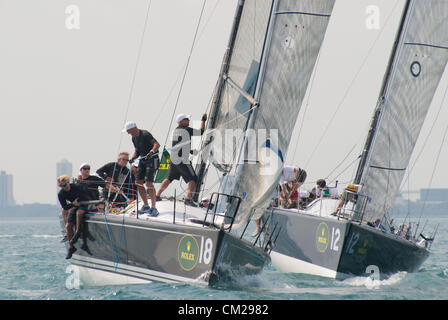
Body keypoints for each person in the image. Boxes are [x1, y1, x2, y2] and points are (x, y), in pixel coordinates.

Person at [156, 113, 207, 206]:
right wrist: (203, 120)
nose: (189, 121)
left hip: (173, 159)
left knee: (169, 178)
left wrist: (190, 151)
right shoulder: (186, 129)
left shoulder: (176, 130)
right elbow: (201, 132)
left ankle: (157, 195)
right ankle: (188, 199)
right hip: (182, 159)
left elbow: (180, 144)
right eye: (187, 119)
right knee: (193, 178)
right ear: (181, 121)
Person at [123, 122, 160, 216]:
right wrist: (132, 158)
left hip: (153, 159)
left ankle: (153, 207)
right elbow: (137, 151)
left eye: (128, 131)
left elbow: (157, 144)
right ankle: (146, 206)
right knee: (138, 182)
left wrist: (151, 152)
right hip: (143, 160)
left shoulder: (145, 134)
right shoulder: (133, 137)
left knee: (148, 183)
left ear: (134, 128)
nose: (128, 133)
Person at [57, 175, 91, 259]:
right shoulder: (61, 194)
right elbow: (65, 207)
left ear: (68, 183)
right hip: (75, 205)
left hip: (84, 203)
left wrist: (79, 202)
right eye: (62, 186)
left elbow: (87, 196)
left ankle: (78, 232)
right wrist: (73, 204)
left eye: (65, 185)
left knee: (79, 213)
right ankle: (71, 247)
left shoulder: (77, 187)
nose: (65, 188)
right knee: (68, 226)